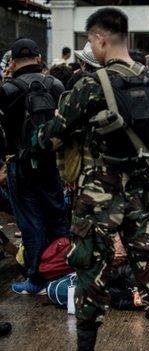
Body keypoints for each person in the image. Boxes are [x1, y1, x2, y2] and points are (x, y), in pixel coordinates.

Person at [36, 7, 149, 350]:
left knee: (90, 273)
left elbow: (51, 137)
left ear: (99, 39)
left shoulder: (88, 85)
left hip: (98, 195)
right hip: (142, 190)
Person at [0, 38, 69, 295]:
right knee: (57, 217)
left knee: (31, 223)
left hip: (20, 166)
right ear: (39, 58)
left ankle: (36, 279)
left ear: (13, 61)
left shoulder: (7, 90)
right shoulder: (57, 85)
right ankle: (62, 272)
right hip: (52, 165)